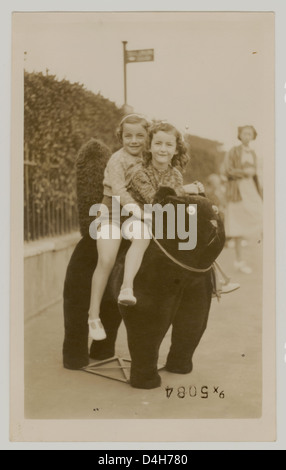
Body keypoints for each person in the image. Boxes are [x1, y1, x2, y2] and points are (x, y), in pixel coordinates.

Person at [88, 113, 150, 341]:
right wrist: (140, 212)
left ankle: (126, 288)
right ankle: (93, 315)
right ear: (121, 136)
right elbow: (119, 191)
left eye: (139, 136)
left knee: (143, 237)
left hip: (135, 212)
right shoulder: (117, 159)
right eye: (128, 136)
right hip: (112, 211)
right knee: (106, 259)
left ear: (147, 137)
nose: (134, 141)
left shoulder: (148, 158)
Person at [224, 125, 263, 274]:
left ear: (253, 136)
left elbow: (256, 174)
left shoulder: (253, 153)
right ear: (240, 135)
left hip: (251, 190)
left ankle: (256, 258)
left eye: (250, 134)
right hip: (237, 191)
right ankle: (239, 261)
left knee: (259, 217)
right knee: (237, 226)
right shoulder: (233, 151)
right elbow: (227, 170)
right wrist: (244, 172)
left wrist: (253, 174)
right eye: (244, 133)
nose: (247, 136)